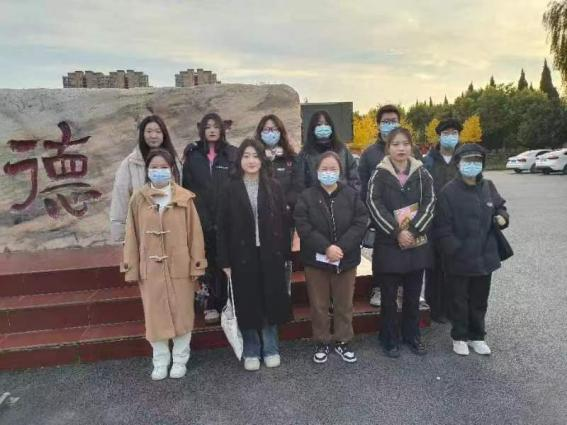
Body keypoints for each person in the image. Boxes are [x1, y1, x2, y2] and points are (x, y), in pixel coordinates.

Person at [122, 148, 207, 380]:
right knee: (154, 316)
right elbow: (131, 235)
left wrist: (197, 265)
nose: (158, 171)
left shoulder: (184, 198)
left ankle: (180, 358)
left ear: (172, 170)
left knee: (182, 313)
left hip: (180, 266)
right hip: (151, 268)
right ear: (147, 170)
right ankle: (160, 360)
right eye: (154, 167)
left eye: (163, 167)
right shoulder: (138, 199)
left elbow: (195, 235)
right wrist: (131, 266)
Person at [216, 138, 292, 371]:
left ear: (262, 159)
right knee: (247, 301)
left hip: (271, 253)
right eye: (246, 156)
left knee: (270, 300)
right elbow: (221, 227)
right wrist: (224, 260)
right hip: (242, 255)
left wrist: (285, 253)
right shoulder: (229, 188)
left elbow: (284, 223)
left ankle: (271, 347)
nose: (251, 161)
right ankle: (251, 348)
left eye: (256, 156)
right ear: (239, 159)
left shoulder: (273, 186)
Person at [366, 127, 435, 358]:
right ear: (388, 147)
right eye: (396, 144)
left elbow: (430, 203)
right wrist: (397, 233)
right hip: (389, 244)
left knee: (413, 296)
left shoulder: (422, 173)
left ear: (411, 146)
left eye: (405, 143)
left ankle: (412, 335)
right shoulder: (379, 174)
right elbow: (374, 204)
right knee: (388, 297)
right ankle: (389, 338)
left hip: (416, 243)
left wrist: (413, 231)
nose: (401, 148)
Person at [435, 144, 509, 356]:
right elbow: (442, 227)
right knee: (458, 300)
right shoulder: (448, 192)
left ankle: (477, 336)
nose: (472, 165)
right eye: (468, 161)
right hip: (458, 257)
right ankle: (459, 336)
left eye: (477, 161)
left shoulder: (488, 186)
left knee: (479, 300)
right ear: (458, 163)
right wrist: (455, 249)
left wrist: (503, 217)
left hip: (485, 255)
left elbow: (500, 207)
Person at [294, 151, 367, 364]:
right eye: (324, 168)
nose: (328, 172)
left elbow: (361, 221)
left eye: (333, 169)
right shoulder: (307, 196)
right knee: (319, 304)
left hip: (345, 259)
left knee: (344, 304)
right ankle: (322, 341)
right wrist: (326, 247)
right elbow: (303, 225)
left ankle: (343, 341)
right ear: (317, 171)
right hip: (316, 260)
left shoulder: (351, 195)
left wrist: (340, 247)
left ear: (340, 171)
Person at [182, 113, 238, 325]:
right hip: (202, 219)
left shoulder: (231, 154)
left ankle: (228, 303)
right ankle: (212, 303)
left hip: (228, 219)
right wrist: (202, 216)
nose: (212, 130)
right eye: (208, 127)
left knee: (227, 261)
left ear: (222, 129)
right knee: (209, 262)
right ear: (202, 130)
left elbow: (236, 186)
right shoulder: (193, 155)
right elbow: (188, 188)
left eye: (216, 126)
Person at [255, 114, 304, 294]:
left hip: (284, 218)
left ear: (281, 132)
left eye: (274, 129)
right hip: (260, 219)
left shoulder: (291, 159)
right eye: (267, 129)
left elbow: (298, 187)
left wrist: (285, 205)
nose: (271, 133)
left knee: (284, 260)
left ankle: (284, 295)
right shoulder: (255, 158)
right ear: (260, 133)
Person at [110, 115, 180, 242]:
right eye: (149, 131)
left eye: (158, 131)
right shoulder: (130, 163)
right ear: (142, 134)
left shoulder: (175, 162)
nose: (153, 135)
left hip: (172, 229)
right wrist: (121, 234)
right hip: (142, 231)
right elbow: (120, 198)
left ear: (164, 134)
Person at [359, 105, 402, 308]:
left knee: (406, 249)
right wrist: (367, 213)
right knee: (382, 254)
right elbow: (362, 186)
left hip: (405, 212)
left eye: (393, 121)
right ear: (378, 125)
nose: (389, 125)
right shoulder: (369, 154)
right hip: (380, 213)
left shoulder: (409, 149)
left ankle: (402, 288)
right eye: (385, 122)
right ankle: (378, 288)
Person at [423, 118, 463, 322]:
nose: (450, 137)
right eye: (446, 133)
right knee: (434, 267)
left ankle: (453, 309)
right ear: (439, 136)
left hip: (457, 221)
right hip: (433, 222)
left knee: (456, 266)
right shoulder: (429, 161)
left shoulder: (463, 159)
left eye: (454, 133)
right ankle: (434, 309)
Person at [299, 110, 360, 191]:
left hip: (342, 196)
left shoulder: (342, 150)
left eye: (326, 124)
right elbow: (299, 182)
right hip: (314, 197)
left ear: (331, 127)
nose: (323, 127)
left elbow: (354, 177)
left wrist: (351, 195)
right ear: (313, 128)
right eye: (319, 124)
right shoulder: (305, 153)